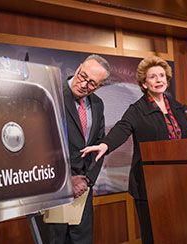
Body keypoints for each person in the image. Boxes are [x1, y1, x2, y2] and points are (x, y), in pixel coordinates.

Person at [81, 56, 187, 244]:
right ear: (144, 83)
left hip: (179, 180)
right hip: (149, 183)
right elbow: (122, 129)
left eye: (162, 76)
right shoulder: (137, 109)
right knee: (153, 235)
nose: (159, 80)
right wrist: (105, 145)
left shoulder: (179, 108)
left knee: (179, 232)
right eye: (153, 77)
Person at [47, 54, 111, 244]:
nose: (84, 84)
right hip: (55, 188)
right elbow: (43, 144)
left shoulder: (98, 104)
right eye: (83, 76)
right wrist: (68, 181)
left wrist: (87, 180)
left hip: (83, 189)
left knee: (82, 240)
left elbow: (100, 144)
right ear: (78, 69)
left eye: (92, 83)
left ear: (98, 86)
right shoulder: (52, 93)